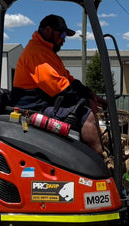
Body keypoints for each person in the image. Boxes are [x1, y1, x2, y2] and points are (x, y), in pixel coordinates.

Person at [11, 14, 106, 153]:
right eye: (61, 34)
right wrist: (86, 101)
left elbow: (69, 80)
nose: (63, 39)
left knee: (84, 109)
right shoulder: (36, 53)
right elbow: (61, 90)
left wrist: (91, 95)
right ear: (48, 30)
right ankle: (102, 161)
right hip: (32, 110)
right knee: (88, 115)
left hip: (43, 106)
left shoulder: (47, 52)